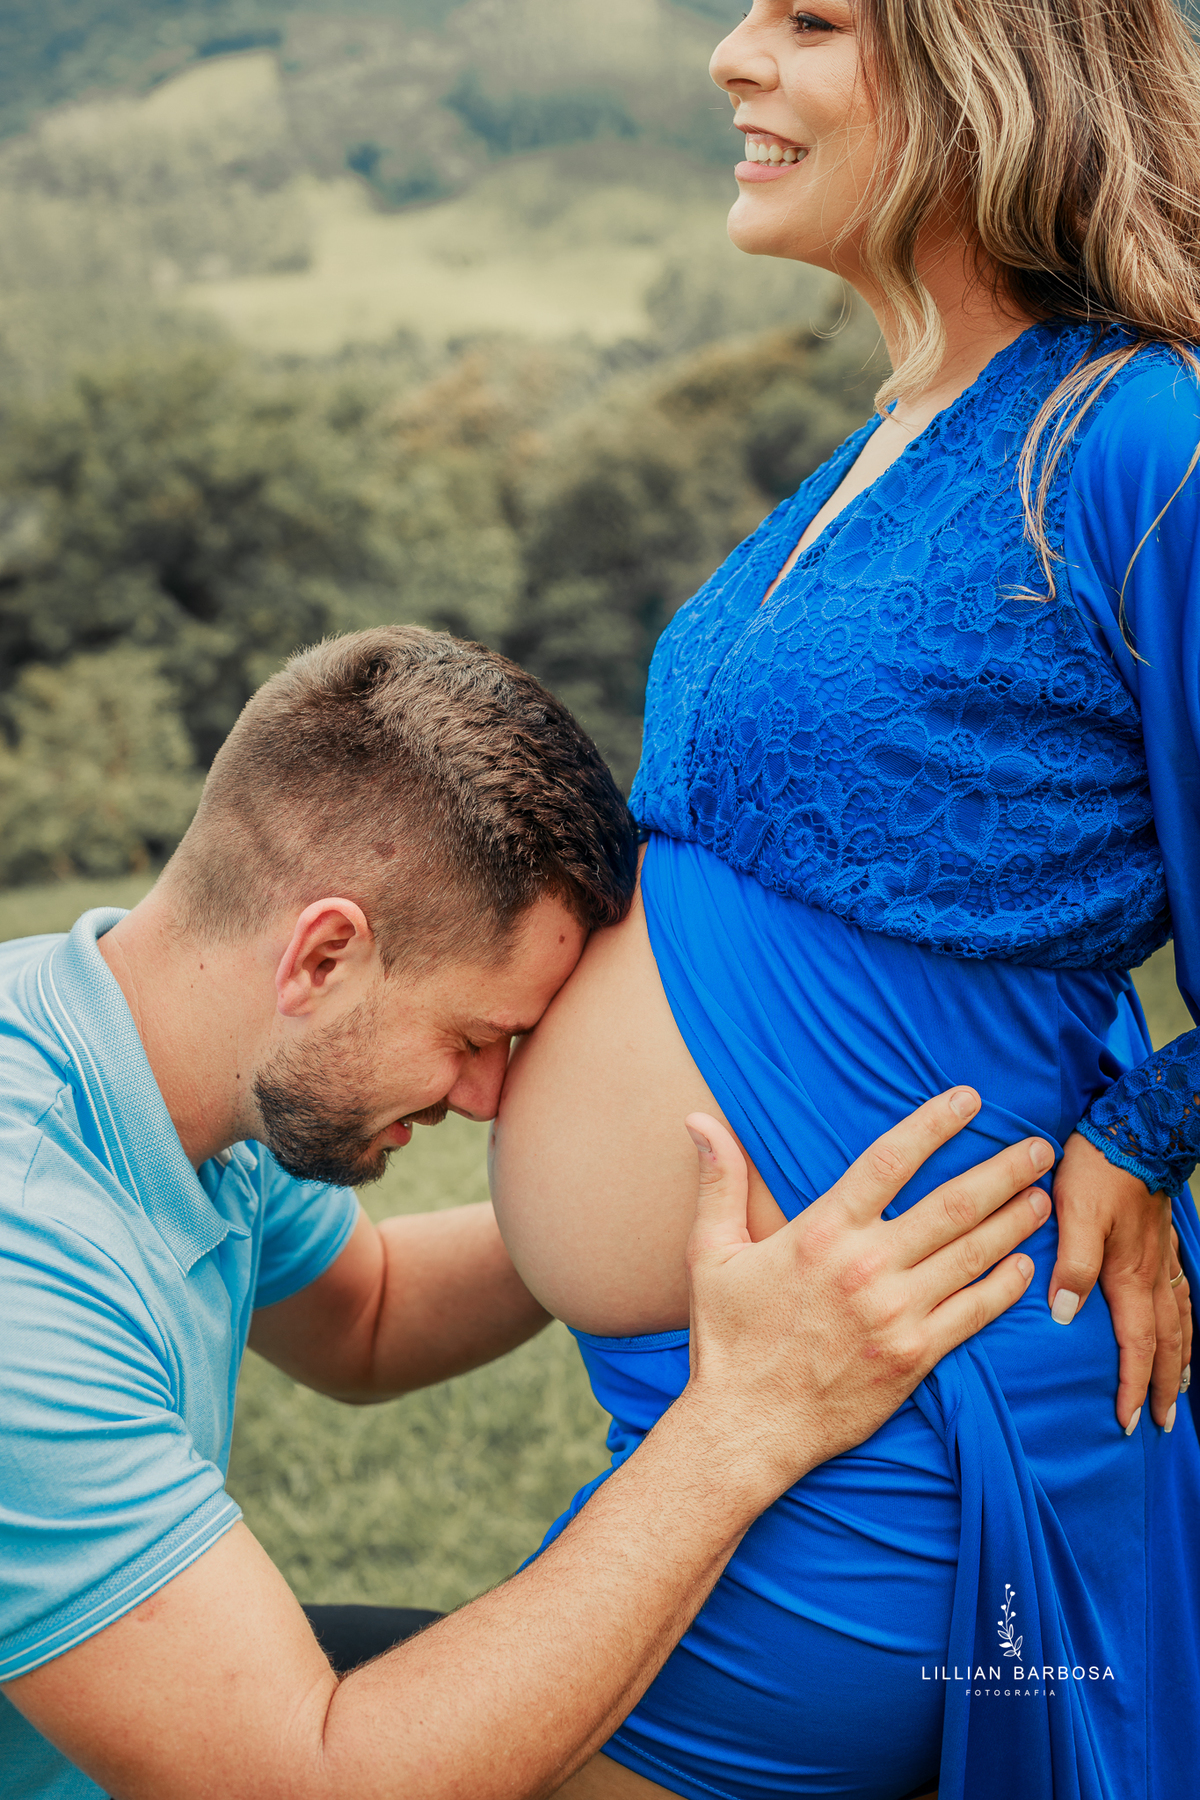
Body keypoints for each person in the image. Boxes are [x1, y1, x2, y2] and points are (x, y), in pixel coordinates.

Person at [489, 4, 1200, 1799]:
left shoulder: (1141, 438)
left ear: (994, 69)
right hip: (722, 1398)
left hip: (908, 1424)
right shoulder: (888, 437)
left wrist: (1150, 1130)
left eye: (811, 22)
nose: (734, 57)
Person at [0, 625, 1049, 1800]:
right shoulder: (23, 1267)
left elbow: (370, 1317)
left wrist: (659, 1213)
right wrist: (746, 1418)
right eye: (473, 1037)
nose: (490, 1096)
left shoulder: (144, 1047)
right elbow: (303, 1784)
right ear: (323, 956)